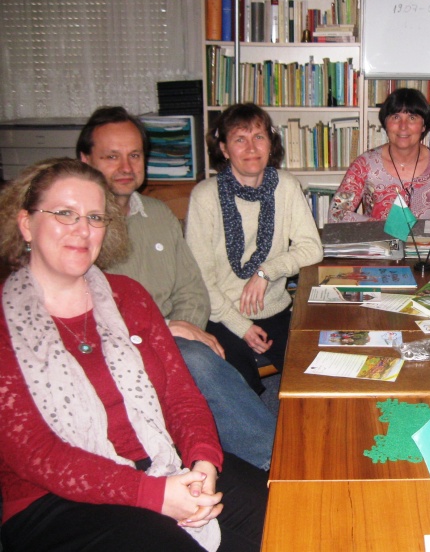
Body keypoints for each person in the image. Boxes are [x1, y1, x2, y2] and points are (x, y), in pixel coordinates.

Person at [0, 158, 267, 552]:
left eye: (94, 217)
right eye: (64, 214)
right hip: (51, 500)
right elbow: (37, 455)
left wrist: (203, 462)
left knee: (289, 513)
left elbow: (181, 396)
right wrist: (155, 494)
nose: (82, 229)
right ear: (26, 224)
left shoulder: (129, 296)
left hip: (159, 457)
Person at [77, 106, 276, 471]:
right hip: (111, 343)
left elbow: (192, 289)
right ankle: (274, 458)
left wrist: (184, 331)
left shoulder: (157, 213)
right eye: (111, 157)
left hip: (176, 334)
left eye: (135, 155)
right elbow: (81, 313)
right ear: (85, 160)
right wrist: (165, 332)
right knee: (199, 361)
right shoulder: (79, 227)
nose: (126, 167)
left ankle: (241, 449)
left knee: (205, 354)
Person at [186, 103, 323, 394]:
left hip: (275, 309)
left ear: (270, 144)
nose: (251, 147)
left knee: (312, 375)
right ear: (224, 149)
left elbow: (312, 248)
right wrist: (241, 326)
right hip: (222, 314)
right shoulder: (205, 196)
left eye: (259, 137)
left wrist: (266, 271)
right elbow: (200, 278)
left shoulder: (286, 186)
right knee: (240, 386)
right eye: (240, 139)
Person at [328, 88, 430, 224]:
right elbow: (336, 214)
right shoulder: (365, 164)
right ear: (385, 124)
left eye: (412, 118)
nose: (403, 126)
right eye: (395, 117)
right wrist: (383, 227)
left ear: (424, 126)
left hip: (425, 245)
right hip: (377, 242)